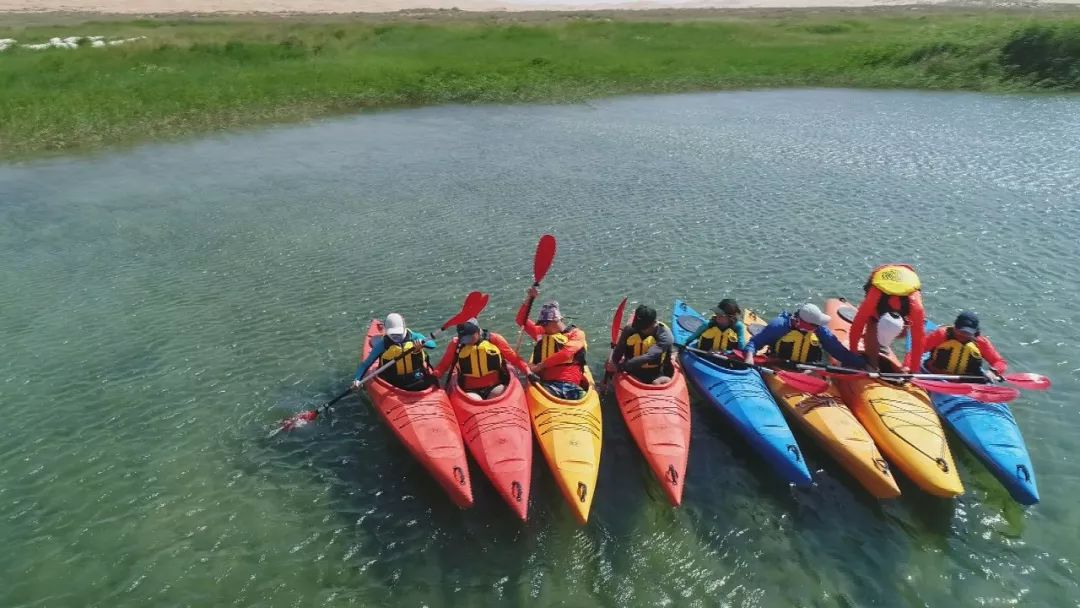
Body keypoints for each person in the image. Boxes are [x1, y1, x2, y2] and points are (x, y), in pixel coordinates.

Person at [848, 263, 926, 372]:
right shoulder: (874, 298)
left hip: (906, 280)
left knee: (905, 333)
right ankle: (872, 362)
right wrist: (853, 354)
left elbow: (918, 340)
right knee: (871, 323)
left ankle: (882, 343)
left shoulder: (916, 308)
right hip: (881, 281)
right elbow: (858, 324)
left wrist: (913, 370)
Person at [516, 287, 590, 400]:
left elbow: (565, 354)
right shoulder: (541, 332)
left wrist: (539, 366)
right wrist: (529, 298)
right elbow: (521, 320)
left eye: (544, 324)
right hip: (548, 385)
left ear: (555, 321)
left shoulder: (577, 334)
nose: (542, 327)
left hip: (571, 386)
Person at [431, 318, 528, 400]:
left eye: (469, 337)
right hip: (470, 391)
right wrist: (434, 377)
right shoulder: (456, 344)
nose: (467, 341)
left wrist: (528, 372)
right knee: (472, 398)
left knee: (498, 394)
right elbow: (444, 365)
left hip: (496, 386)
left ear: (478, 331)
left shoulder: (494, 339)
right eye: (463, 338)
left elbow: (514, 358)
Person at [744, 303, 866, 369]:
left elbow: (838, 351)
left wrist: (862, 363)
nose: (818, 327)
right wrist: (749, 357)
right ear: (802, 323)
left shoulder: (819, 329)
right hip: (779, 368)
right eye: (815, 325)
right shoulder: (779, 326)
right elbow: (754, 343)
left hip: (809, 370)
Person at [353, 313, 436, 391]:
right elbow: (366, 364)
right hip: (392, 381)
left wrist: (421, 342)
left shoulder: (414, 337)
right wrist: (357, 379)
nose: (396, 338)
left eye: (399, 334)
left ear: (404, 328)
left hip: (416, 377)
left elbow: (432, 345)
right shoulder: (382, 344)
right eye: (393, 335)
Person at [924, 311, 1008, 381]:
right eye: (961, 331)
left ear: (975, 331)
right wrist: (910, 368)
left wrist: (993, 372)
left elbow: (1000, 362)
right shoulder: (941, 334)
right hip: (934, 376)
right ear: (955, 327)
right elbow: (918, 351)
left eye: (968, 333)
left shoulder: (981, 342)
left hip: (966, 380)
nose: (963, 335)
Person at [606, 305, 675, 385]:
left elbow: (649, 356)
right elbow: (619, 349)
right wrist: (613, 364)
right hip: (630, 369)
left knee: (657, 382)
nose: (639, 329)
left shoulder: (665, 337)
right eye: (637, 326)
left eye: (643, 328)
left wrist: (620, 367)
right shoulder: (630, 329)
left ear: (654, 323)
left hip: (655, 372)